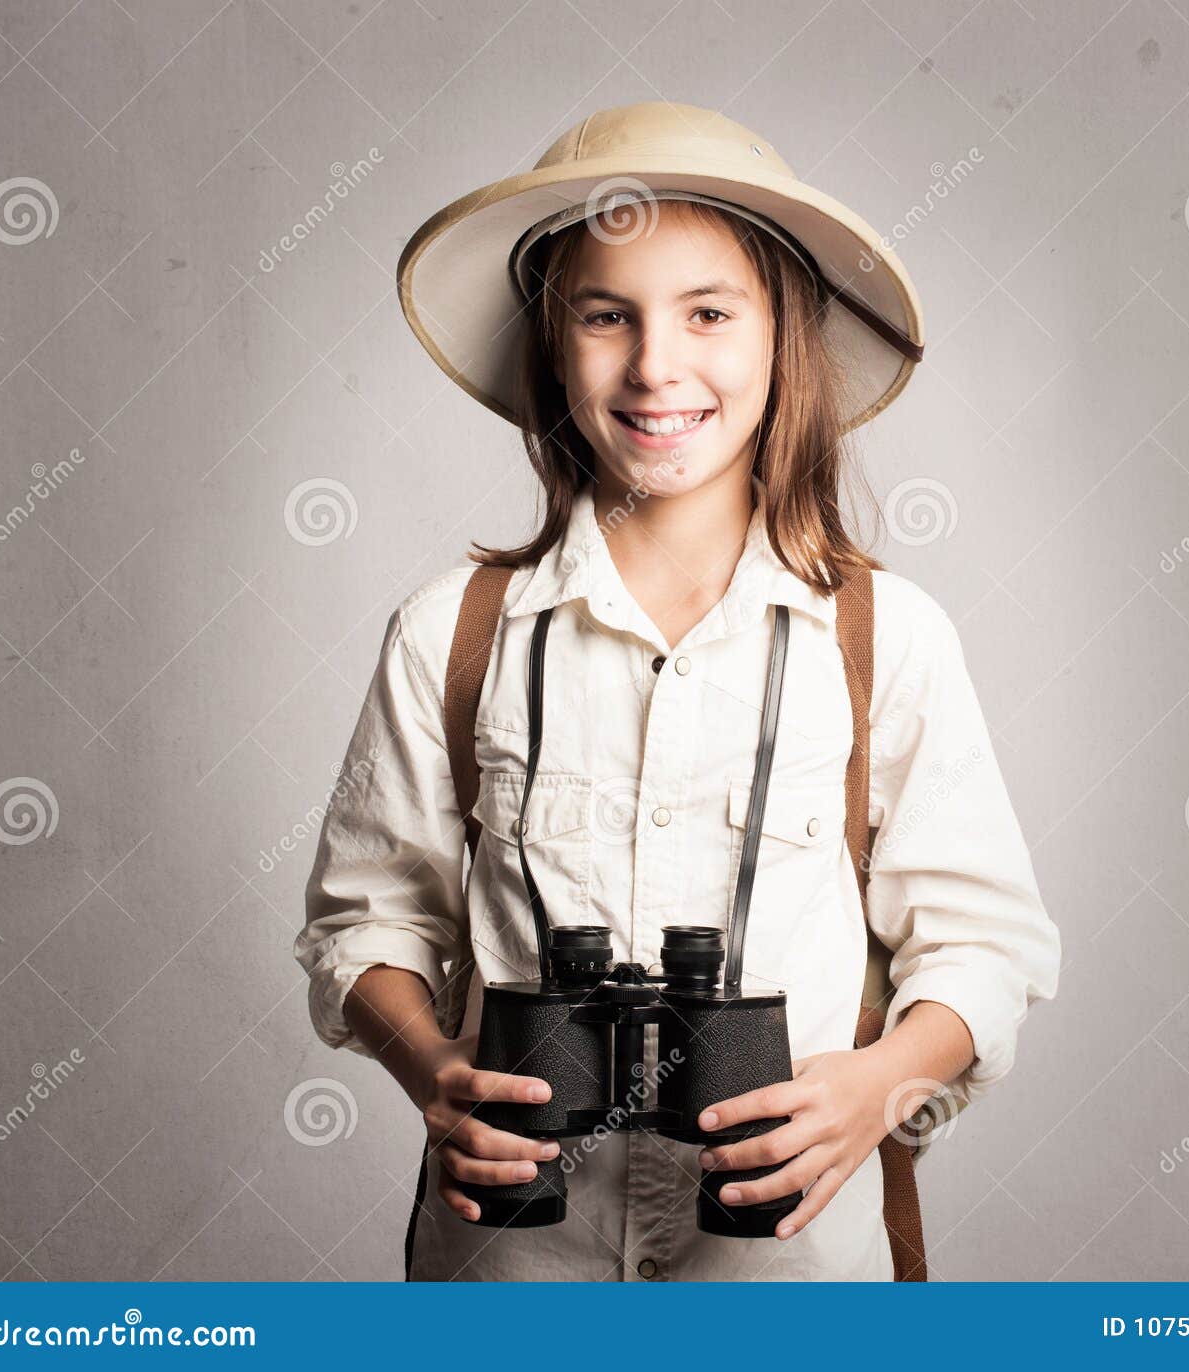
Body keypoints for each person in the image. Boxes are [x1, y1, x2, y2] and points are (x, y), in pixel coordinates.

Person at [293, 102, 1060, 1282]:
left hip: (791, 1273)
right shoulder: (452, 631)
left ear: (780, 339)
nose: (656, 365)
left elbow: (984, 943)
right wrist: (432, 1070)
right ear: (555, 348)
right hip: (509, 1264)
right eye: (607, 316)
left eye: (708, 312)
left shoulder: (884, 637)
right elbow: (367, 921)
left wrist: (876, 1087)